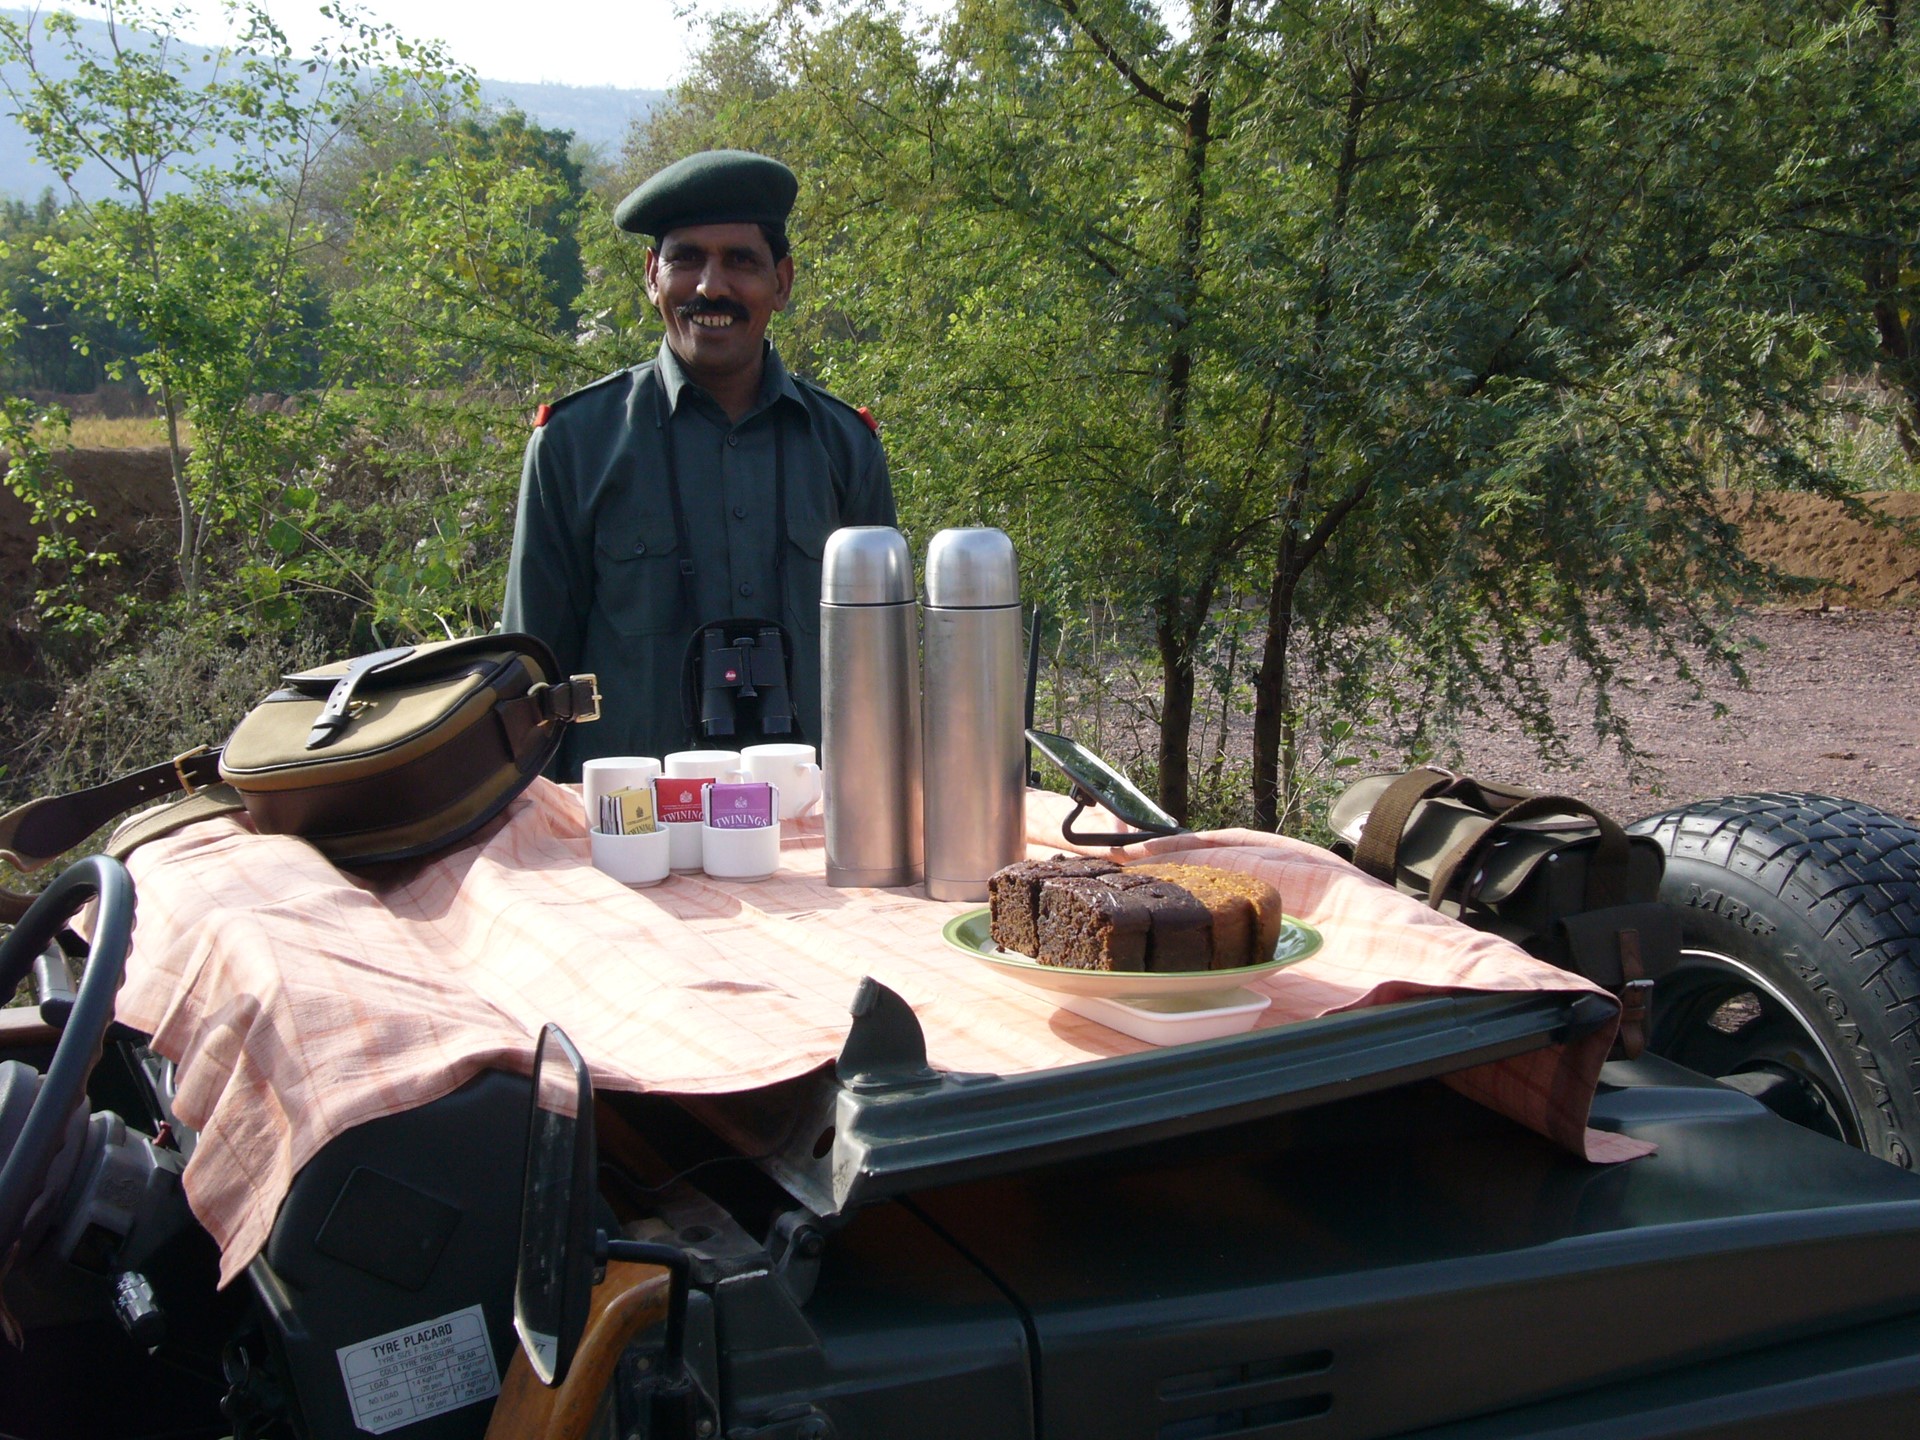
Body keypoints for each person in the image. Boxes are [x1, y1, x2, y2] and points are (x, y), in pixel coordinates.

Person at [503, 150, 896, 779]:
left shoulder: (845, 446)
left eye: (741, 261)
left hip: (818, 827)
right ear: (652, 276)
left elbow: (882, 668)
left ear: (783, 282)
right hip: (626, 832)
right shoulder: (575, 445)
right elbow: (530, 683)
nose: (711, 287)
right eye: (687, 259)